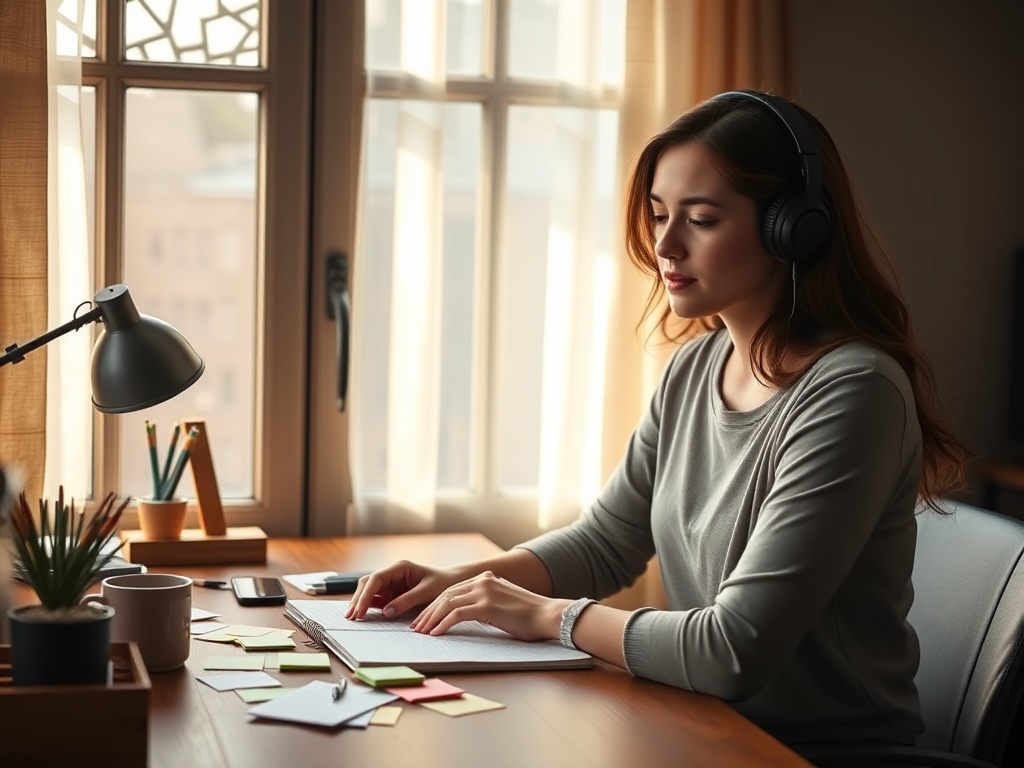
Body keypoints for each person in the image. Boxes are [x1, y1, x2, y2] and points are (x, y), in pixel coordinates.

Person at [346, 90, 969, 747]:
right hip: (706, 727)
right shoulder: (696, 365)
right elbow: (605, 541)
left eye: (700, 219)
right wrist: (463, 583)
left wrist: (545, 617)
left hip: (818, 755)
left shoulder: (853, 393)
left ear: (793, 227)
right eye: (658, 215)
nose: (665, 245)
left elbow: (731, 650)